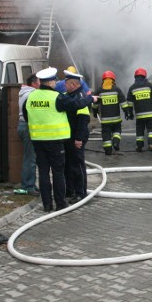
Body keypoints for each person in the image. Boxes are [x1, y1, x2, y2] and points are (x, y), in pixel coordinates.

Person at [23, 67, 94, 212]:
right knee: (58, 172)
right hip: (55, 141)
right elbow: (76, 104)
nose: (57, 83)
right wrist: (90, 98)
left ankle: (47, 205)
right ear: (49, 83)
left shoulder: (30, 97)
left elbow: (26, 116)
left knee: (43, 172)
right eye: (54, 80)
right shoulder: (57, 97)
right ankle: (60, 203)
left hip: (37, 140)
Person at [63, 69, 92, 202]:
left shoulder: (80, 97)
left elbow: (83, 121)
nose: (64, 86)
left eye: (66, 83)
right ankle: (70, 190)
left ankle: (80, 192)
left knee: (77, 164)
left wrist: (78, 139)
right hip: (69, 136)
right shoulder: (69, 96)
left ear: (73, 84)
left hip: (76, 137)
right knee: (69, 164)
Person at [92, 70, 131, 155]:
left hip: (105, 120)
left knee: (106, 134)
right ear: (113, 80)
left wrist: (95, 112)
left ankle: (108, 150)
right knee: (117, 130)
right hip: (116, 119)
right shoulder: (117, 90)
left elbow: (95, 104)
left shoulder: (99, 91)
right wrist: (126, 112)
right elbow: (123, 102)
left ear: (103, 80)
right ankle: (116, 142)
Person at [14, 73, 40, 196]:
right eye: (40, 81)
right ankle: (28, 186)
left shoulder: (24, 93)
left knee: (30, 157)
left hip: (23, 125)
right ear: (34, 83)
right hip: (28, 126)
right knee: (30, 158)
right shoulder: (31, 94)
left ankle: (31, 184)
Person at [126, 67, 152, 153]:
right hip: (150, 114)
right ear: (145, 76)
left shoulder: (132, 88)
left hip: (139, 115)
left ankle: (139, 146)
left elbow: (129, 103)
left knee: (139, 130)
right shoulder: (150, 85)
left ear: (135, 77)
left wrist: (130, 114)